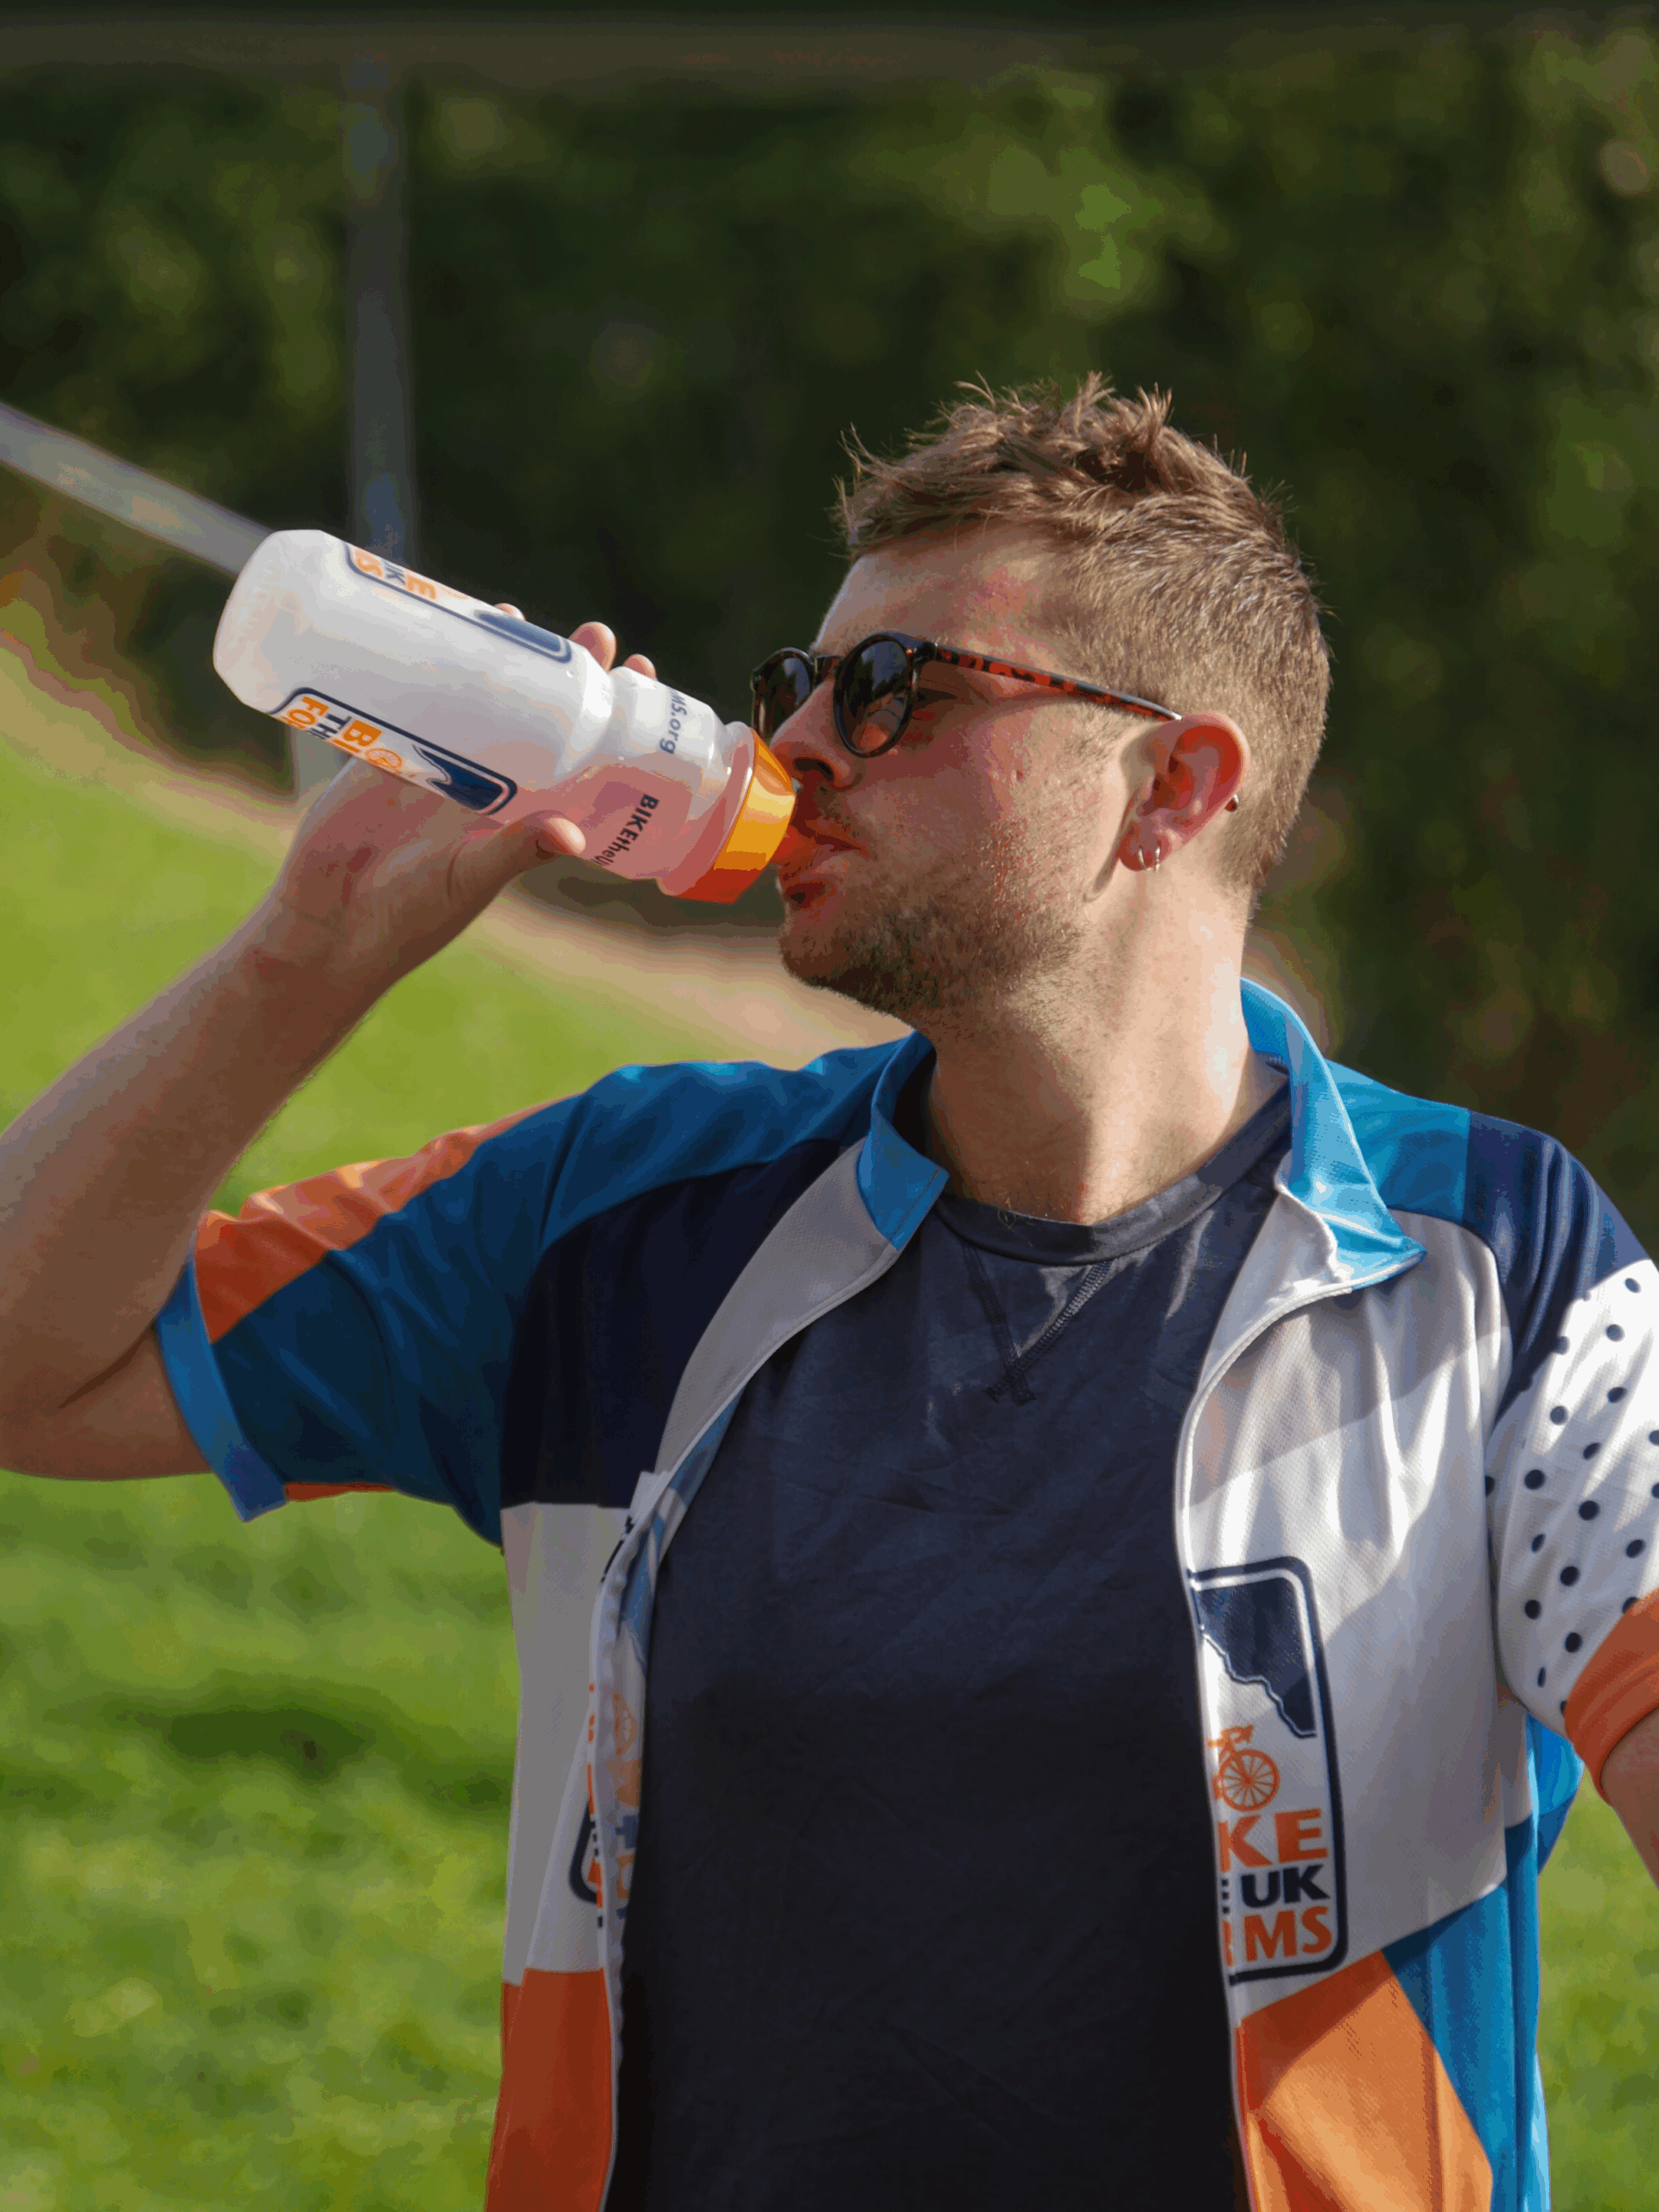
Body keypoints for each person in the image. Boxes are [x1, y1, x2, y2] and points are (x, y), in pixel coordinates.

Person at [2, 377, 1656, 2212]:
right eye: (804, 675)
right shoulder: (617, 1210)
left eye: (899, 689)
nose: (798, 739)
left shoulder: (1503, 1266)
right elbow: (25, 1366)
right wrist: (303, 954)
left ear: (1173, 786)